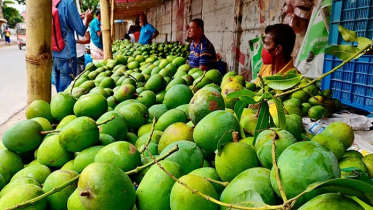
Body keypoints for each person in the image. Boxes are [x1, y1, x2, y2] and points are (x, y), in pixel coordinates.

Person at [52, 0, 93, 93]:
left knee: (59, 89)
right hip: (67, 54)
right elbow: (81, 30)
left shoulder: (50, 3)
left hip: (53, 53)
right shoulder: (68, 3)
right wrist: (87, 18)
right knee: (65, 93)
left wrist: (77, 17)